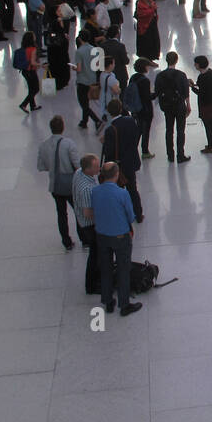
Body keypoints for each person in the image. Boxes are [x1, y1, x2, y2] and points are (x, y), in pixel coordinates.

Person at [90, 161, 141, 318]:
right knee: (123, 269)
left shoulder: (95, 191)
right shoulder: (122, 193)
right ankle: (124, 304)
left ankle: (107, 301)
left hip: (101, 235)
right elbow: (130, 215)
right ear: (117, 174)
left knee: (105, 268)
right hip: (120, 236)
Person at [36, 114, 79, 250]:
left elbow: (41, 166)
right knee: (78, 211)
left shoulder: (43, 145)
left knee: (61, 213)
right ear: (63, 127)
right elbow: (77, 164)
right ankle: (85, 238)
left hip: (55, 185)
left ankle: (66, 241)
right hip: (70, 184)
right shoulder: (68, 144)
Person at [101, 98, 144, 223]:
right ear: (120, 109)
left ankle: (122, 215)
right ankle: (138, 214)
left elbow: (109, 151)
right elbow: (136, 137)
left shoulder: (110, 130)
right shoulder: (131, 121)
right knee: (133, 189)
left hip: (118, 165)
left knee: (117, 192)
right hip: (131, 161)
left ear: (109, 112)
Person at [72, 153, 101, 294]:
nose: (99, 168)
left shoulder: (79, 172)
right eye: (96, 167)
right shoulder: (86, 190)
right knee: (95, 253)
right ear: (88, 169)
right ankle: (91, 284)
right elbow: (88, 213)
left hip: (82, 221)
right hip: (89, 225)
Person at [127, 58, 156, 159]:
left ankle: (132, 150)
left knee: (138, 130)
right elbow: (147, 97)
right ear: (145, 67)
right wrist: (156, 94)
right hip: (145, 109)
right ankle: (145, 151)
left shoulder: (133, 77)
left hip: (135, 108)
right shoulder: (145, 80)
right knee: (145, 131)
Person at [194, 55, 212, 153]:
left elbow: (201, 92)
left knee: (207, 125)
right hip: (211, 103)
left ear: (199, 65)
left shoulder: (202, 77)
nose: (195, 65)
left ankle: (210, 146)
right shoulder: (210, 72)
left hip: (204, 104)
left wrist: (192, 87)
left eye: (196, 64)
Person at [16, 31, 41, 113]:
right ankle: (24, 104)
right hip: (31, 71)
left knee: (31, 88)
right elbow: (33, 62)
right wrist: (40, 65)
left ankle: (33, 106)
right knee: (36, 88)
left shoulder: (24, 48)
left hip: (24, 71)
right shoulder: (33, 49)